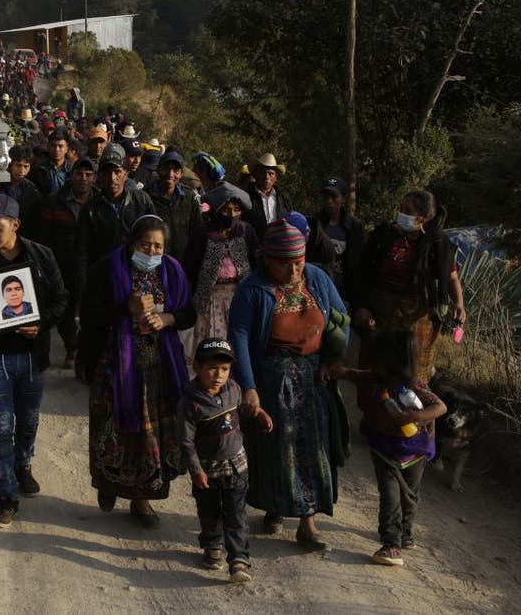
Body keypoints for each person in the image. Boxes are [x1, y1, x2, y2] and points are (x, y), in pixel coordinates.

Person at [227, 220, 347, 551]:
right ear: (267, 259)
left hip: (312, 379)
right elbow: (238, 336)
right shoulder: (252, 290)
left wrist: (331, 361)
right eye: (286, 262)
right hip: (272, 378)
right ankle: (276, 505)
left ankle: (307, 523)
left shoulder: (317, 278)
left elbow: (339, 318)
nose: (294, 269)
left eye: (299, 260)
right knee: (273, 450)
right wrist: (249, 387)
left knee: (311, 448)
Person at [0, 194, 68, 528]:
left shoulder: (41, 256)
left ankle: (23, 464)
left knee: (29, 421)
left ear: (15, 225)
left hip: (32, 357)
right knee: (1, 428)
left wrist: (42, 323)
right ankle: (6, 495)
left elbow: (62, 299)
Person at [79, 216, 195, 528]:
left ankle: (142, 500)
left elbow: (188, 313)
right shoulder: (108, 269)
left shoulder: (172, 271)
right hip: (115, 368)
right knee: (113, 431)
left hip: (158, 369)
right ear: (132, 243)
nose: (152, 251)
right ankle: (108, 483)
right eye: (146, 245)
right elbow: (88, 313)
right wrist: (123, 309)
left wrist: (168, 319)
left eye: (158, 246)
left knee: (150, 436)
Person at [338, 330, 446, 567]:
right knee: (390, 497)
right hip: (384, 449)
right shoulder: (375, 379)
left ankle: (405, 532)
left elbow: (440, 407)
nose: (372, 366)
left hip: (415, 450)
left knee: (409, 495)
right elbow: (354, 375)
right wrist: (337, 371)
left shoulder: (414, 387)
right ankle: (391, 544)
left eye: (377, 361)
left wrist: (414, 416)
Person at [177, 338, 273, 583]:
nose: (218, 375)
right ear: (197, 368)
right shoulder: (191, 403)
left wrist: (259, 413)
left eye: (224, 369)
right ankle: (212, 546)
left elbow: (243, 407)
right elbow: (186, 442)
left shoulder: (233, 389)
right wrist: (196, 471)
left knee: (236, 514)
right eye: (212, 368)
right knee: (209, 512)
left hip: (237, 467)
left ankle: (239, 560)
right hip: (208, 471)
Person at [352, 190, 464, 384]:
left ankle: (410, 411)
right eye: (400, 208)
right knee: (376, 371)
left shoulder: (437, 245)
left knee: (411, 375)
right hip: (381, 315)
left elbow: (451, 278)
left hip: (419, 321)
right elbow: (363, 274)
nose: (401, 214)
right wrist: (362, 306)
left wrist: (459, 303)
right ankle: (374, 411)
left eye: (407, 210)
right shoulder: (383, 237)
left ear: (424, 218)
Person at [75, 144, 157, 293]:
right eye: (106, 172)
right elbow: (83, 253)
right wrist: (84, 289)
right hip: (105, 280)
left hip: (139, 278)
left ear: (126, 174)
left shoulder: (142, 201)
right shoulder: (90, 209)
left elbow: (156, 240)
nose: (112, 178)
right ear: (99, 175)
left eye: (117, 171)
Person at [183, 183, 259, 342]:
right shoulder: (203, 233)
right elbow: (190, 267)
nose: (231, 214)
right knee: (213, 343)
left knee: (238, 341)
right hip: (209, 299)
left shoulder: (246, 231)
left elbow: (255, 262)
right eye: (226, 210)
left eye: (236, 210)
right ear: (217, 210)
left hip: (240, 297)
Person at [40, 159, 95, 368]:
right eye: (79, 173)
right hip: (61, 266)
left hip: (91, 266)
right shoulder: (54, 201)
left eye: (88, 174)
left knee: (89, 310)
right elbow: (44, 238)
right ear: (70, 176)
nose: (83, 178)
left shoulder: (99, 202)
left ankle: (85, 349)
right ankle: (72, 347)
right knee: (65, 312)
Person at [148, 150, 202, 262]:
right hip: (154, 261)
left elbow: (197, 230)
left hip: (183, 263)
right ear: (158, 170)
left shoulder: (189, 197)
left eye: (175, 170)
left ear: (181, 174)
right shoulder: (146, 197)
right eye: (166, 168)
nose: (170, 174)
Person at [315, 176, 364, 300]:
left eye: (334, 196)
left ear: (343, 199)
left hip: (345, 291)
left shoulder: (354, 226)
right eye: (326, 197)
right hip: (319, 289)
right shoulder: (314, 224)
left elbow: (358, 265)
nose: (329, 201)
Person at [0, 146, 41, 238]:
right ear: (9, 165)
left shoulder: (32, 189)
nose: (22, 170)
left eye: (26, 166)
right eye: (18, 165)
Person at [244, 153, 292, 239]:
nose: (267, 177)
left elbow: (291, 219)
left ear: (276, 178)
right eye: (263, 173)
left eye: (271, 173)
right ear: (256, 175)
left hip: (279, 246)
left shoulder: (283, 197)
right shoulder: (247, 196)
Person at [30, 129, 71, 195]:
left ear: (67, 149)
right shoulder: (38, 169)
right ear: (48, 147)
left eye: (60, 146)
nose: (56, 149)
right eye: (53, 146)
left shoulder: (73, 170)